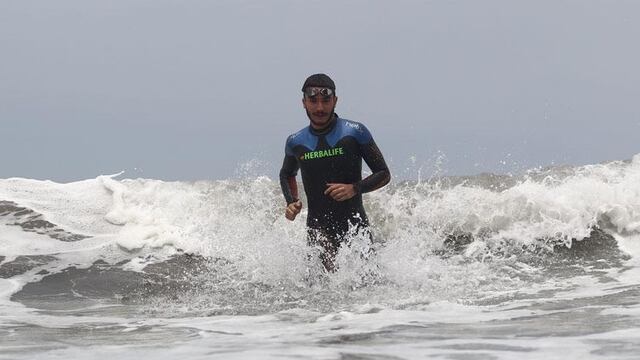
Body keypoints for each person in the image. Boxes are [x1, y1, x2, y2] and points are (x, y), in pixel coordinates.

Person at [279, 73, 391, 272]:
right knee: (321, 294)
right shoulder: (295, 142)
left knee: (368, 293)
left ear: (335, 101)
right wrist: (291, 201)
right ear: (303, 102)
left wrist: (355, 188)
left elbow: (383, 173)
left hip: (355, 229)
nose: (320, 108)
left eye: (326, 100)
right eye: (313, 101)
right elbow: (287, 174)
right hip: (318, 231)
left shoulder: (355, 132)